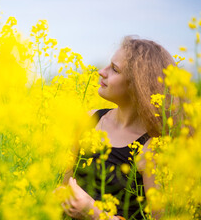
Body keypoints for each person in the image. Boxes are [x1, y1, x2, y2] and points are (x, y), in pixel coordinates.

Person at [61, 36, 177, 220]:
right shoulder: (89, 119)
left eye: (114, 69)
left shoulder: (153, 147)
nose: (102, 72)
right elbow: (64, 185)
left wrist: (94, 213)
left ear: (138, 85)